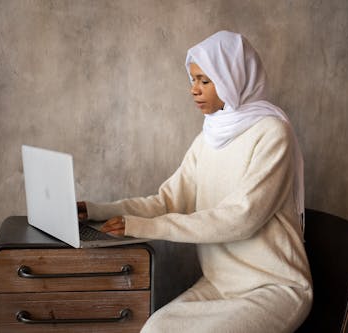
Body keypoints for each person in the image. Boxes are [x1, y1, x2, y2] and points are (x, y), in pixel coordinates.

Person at [78, 30, 312, 333]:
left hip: (274, 288)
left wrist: (146, 227)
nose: (194, 90)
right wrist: (97, 210)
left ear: (233, 77)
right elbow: (166, 201)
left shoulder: (272, 133)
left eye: (205, 80)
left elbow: (242, 217)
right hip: (219, 284)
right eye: (193, 80)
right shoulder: (208, 139)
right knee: (154, 329)